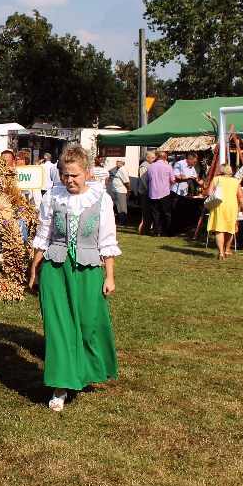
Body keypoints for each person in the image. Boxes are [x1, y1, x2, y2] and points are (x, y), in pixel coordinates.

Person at [28, 146, 120, 412]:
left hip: (88, 269)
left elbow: (107, 240)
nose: (69, 180)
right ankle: (61, 385)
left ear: (87, 173)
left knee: (87, 324)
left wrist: (109, 276)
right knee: (59, 328)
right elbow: (43, 235)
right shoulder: (52, 198)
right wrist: (34, 270)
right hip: (55, 269)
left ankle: (84, 370)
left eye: (75, 175)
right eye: (65, 175)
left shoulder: (101, 200)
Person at [206, 163, 243, 260]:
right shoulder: (236, 181)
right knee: (230, 228)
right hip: (231, 206)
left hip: (218, 205)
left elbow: (209, 193)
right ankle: (227, 250)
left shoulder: (216, 179)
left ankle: (221, 252)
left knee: (219, 229)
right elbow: (241, 196)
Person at [147, 152, 174, 236]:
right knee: (167, 213)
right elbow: (173, 180)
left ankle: (157, 231)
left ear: (157, 157)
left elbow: (149, 179)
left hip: (153, 192)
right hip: (164, 192)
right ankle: (168, 230)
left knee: (155, 213)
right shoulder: (168, 167)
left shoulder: (150, 166)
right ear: (165, 158)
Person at [107, 159, 129, 226]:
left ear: (121, 163)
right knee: (119, 206)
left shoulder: (122, 170)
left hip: (121, 191)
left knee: (121, 207)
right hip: (118, 190)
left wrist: (128, 189)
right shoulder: (120, 169)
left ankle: (123, 221)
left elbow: (126, 181)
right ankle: (122, 220)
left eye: (117, 162)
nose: (116, 164)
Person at [137, 151, 154, 235]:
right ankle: (145, 230)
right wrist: (149, 190)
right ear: (147, 158)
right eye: (152, 158)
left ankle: (146, 228)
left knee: (149, 211)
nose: (154, 159)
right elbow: (144, 180)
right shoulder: (144, 166)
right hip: (145, 192)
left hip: (148, 191)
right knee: (146, 212)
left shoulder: (150, 165)